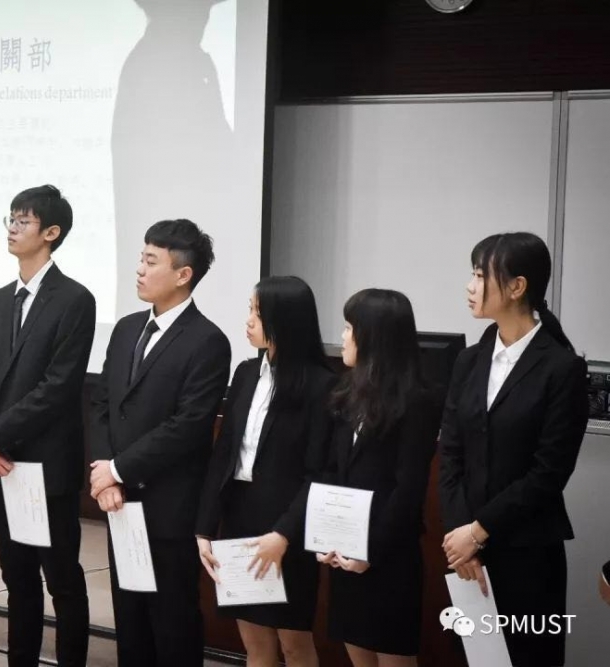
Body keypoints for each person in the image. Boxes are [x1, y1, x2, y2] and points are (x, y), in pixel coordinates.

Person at [439, 232, 588, 667]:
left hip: (528, 555)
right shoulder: (469, 360)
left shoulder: (562, 368)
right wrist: (461, 537)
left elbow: (549, 473)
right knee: (471, 659)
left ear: (517, 286)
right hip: (466, 555)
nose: (470, 286)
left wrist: (478, 531)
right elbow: (451, 454)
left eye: (479, 275)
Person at [0, 185, 95, 667]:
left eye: (24, 221)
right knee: (16, 578)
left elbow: (58, 386)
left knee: (61, 579)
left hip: (45, 465)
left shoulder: (75, 299)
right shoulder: (0, 299)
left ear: (51, 232)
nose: (12, 229)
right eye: (11, 219)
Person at [90, 219, 231, 666]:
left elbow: (188, 426)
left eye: (151, 261)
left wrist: (118, 469)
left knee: (172, 623)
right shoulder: (126, 328)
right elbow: (102, 404)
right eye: (141, 258)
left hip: (169, 507)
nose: (139, 269)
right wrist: (104, 473)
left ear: (183, 274)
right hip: (119, 502)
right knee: (129, 622)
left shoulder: (208, 341)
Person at [195, 276, 335, 667]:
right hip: (241, 517)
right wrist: (204, 528)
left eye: (257, 312)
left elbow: (320, 472)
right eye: (250, 310)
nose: (249, 320)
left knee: (294, 642)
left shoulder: (321, 386)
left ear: (284, 320)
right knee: (254, 641)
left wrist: (284, 533)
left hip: (288, 526)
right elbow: (223, 455)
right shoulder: (245, 373)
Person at [316, 289, 440, 667]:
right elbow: (333, 469)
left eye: (349, 328)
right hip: (345, 552)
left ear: (373, 336)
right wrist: (328, 535)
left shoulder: (417, 401)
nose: (342, 337)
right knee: (357, 655)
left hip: (388, 555)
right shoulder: (347, 392)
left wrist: (370, 549)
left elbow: (408, 488)